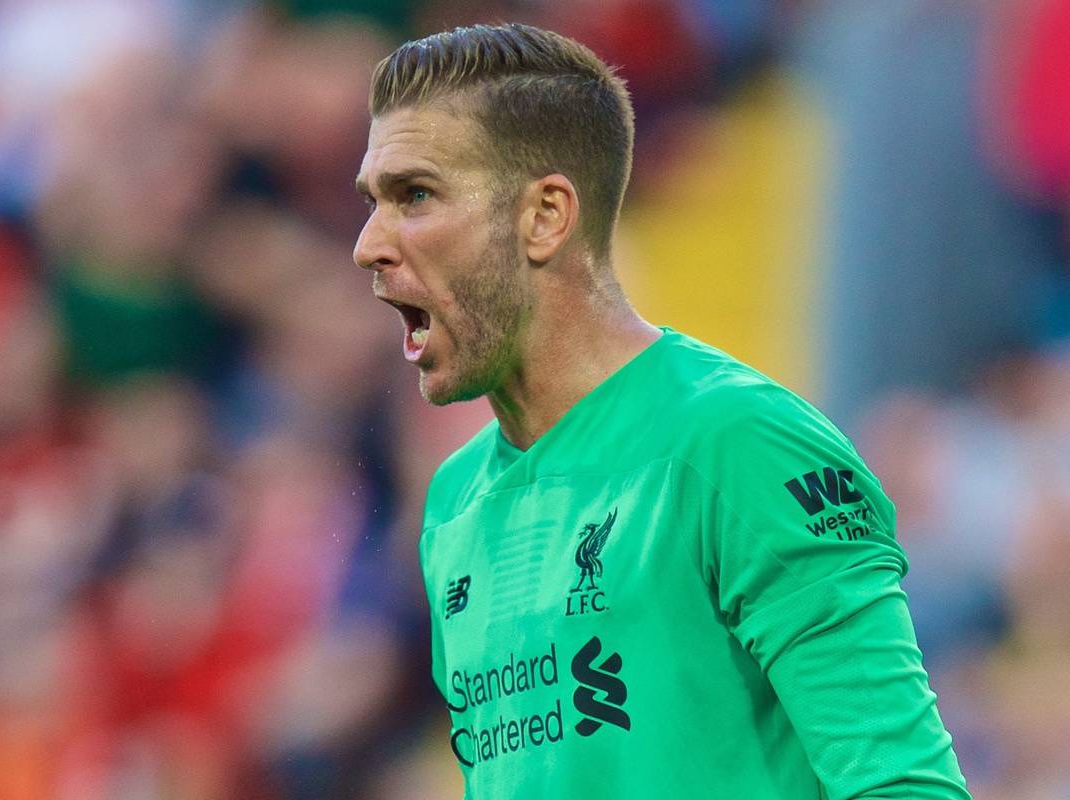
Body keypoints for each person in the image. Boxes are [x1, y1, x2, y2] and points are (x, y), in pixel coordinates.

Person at [352, 22, 972, 799]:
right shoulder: (453, 504)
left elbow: (905, 787)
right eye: (372, 202)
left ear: (546, 215)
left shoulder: (739, 446)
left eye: (414, 195)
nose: (368, 244)